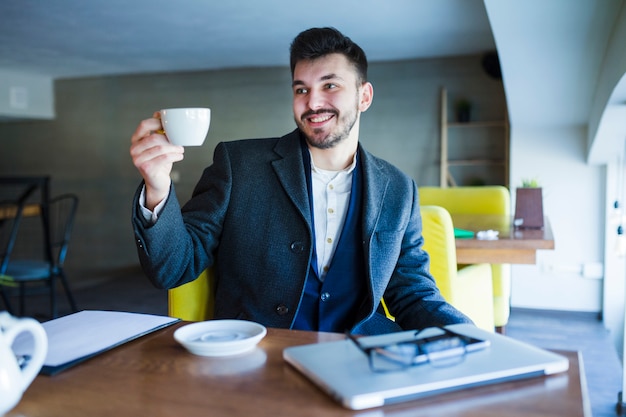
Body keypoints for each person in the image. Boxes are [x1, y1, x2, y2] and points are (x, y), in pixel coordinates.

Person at [130, 27, 473, 335]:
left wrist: (476, 339)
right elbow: (173, 268)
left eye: (330, 85)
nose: (313, 102)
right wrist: (157, 188)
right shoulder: (239, 165)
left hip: (361, 357)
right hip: (258, 358)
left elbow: (412, 294)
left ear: (364, 96)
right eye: (301, 89)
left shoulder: (399, 189)